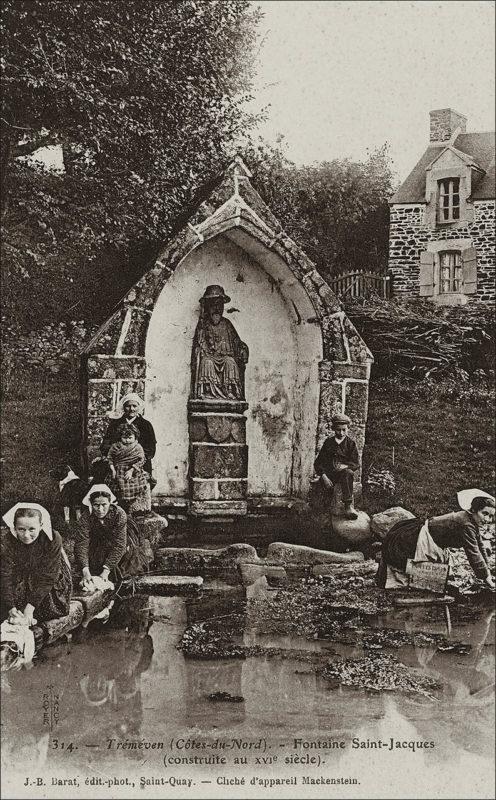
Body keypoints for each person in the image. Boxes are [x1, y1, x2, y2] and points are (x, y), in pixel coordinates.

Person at [376, 489, 495, 590]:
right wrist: (486, 577)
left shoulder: (472, 521)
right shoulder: (465, 524)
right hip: (420, 537)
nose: (488, 519)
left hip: (435, 541)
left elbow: (480, 547)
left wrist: (487, 570)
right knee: (409, 566)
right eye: (485, 513)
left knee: (433, 575)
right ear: (474, 510)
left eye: (491, 516)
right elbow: (473, 552)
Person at [1, 503, 72, 626]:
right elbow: (5, 574)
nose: (26, 535)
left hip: (49, 579)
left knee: (48, 610)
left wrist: (30, 608)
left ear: (41, 526)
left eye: (32, 529)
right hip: (21, 577)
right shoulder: (8, 540)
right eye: (21, 529)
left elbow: (49, 576)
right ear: (14, 527)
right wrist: (10, 607)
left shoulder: (53, 538)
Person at [74, 485, 143, 589]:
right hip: (97, 544)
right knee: (91, 570)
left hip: (117, 544)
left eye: (104, 504)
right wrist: (85, 570)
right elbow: (82, 543)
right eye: (96, 505)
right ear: (91, 504)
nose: (100, 509)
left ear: (110, 503)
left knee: (121, 572)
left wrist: (106, 570)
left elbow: (119, 545)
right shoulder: (86, 517)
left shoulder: (119, 514)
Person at [192, 285, 249, 400]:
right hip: (210, 357)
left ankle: (229, 391)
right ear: (208, 307)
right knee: (206, 362)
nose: (217, 309)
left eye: (219, 305)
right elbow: (198, 344)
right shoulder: (203, 324)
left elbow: (237, 342)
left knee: (230, 362)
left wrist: (243, 348)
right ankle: (208, 392)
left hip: (225, 357)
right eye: (213, 305)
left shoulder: (227, 324)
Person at [313, 413, 360, 520]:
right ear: (334, 429)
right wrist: (323, 476)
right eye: (338, 430)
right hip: (329, 475)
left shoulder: (350, 444)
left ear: (348, 429)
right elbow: (318, 462)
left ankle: (348, 506)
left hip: (342, 475)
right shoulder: (328, 442)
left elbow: (356, 463)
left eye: (344, 430)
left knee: (348, 473)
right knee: (322, 494)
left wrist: (345, 466)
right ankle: (321, 514)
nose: (341, 433)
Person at [101, 393, 157, 481]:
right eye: (128, 406)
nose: (131, 409)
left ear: (139, 407)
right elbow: (107, 442)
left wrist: (138, 459)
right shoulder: (115, 424)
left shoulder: (146, 425)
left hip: (139, 461)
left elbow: (151, 447)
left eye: (134, 406)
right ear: (123, 407)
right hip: (118, 461)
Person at [107, 423, 151, 514]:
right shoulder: (115, 446)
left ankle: (133, 508)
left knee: (136, 486)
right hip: (119, 470)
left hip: (133, 470)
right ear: (120, 437)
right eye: (124, 438)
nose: (127, 440)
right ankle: (119, 508)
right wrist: (113, 470)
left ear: (135, 437)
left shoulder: (138, 447)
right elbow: (110, 458)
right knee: (117, 487)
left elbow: (142, 460)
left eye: (130, 438)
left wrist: (132, 470)